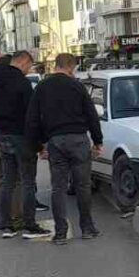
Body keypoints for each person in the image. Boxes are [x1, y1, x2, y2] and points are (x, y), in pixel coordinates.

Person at [25, 53, 103, 245]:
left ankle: (60, 233)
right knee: (83, 186)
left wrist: (39, 146)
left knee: (58, 188)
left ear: (56, 66)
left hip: (56, 141)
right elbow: (91, 115)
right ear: (70, 67)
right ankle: (87, 228)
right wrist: (98, 141)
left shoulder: (42, 87)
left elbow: (32, 119)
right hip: (78, 140)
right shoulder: (77, 86)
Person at [0, 51, 50, 240]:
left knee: (8, 182)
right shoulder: (23, 83)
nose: (28, 70)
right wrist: (40, 145)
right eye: (28, 66)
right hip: (22, 137)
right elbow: (31, 117)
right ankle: (29, 225)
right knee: (27, 182)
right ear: (22, 62)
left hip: (3, 136)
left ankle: (7, 225)